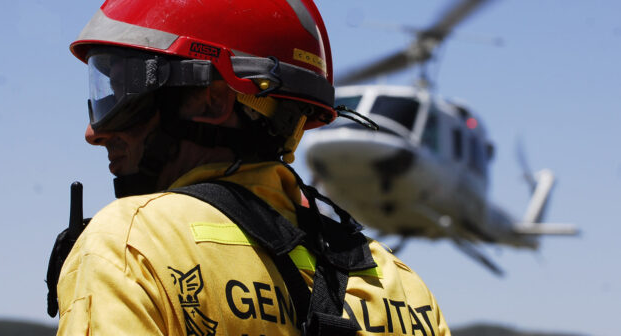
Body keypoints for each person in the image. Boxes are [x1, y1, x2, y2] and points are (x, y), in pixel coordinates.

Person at [48, 0, 451, 335]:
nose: (94, 133)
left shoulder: (131, 245)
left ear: (212, 100)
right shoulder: (403, 287)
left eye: (124, 92)